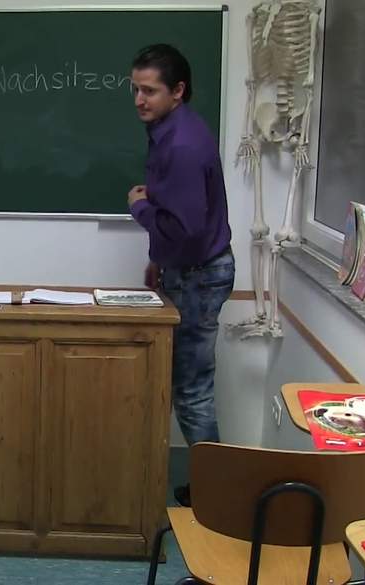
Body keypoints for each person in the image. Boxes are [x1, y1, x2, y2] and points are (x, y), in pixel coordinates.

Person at [127, 44, 234, 507]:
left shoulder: (183, 145)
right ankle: (217, 483)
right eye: (135, 89)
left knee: (191, 390)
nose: (139, 99)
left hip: (199, 275)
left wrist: (139, 209)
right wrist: (159, 259)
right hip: (188, 268)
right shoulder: (169, 129)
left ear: (178, 90)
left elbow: (184, 228)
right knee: (186, 385)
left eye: (149, 91)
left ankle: (220, 493)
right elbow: (180, 215)